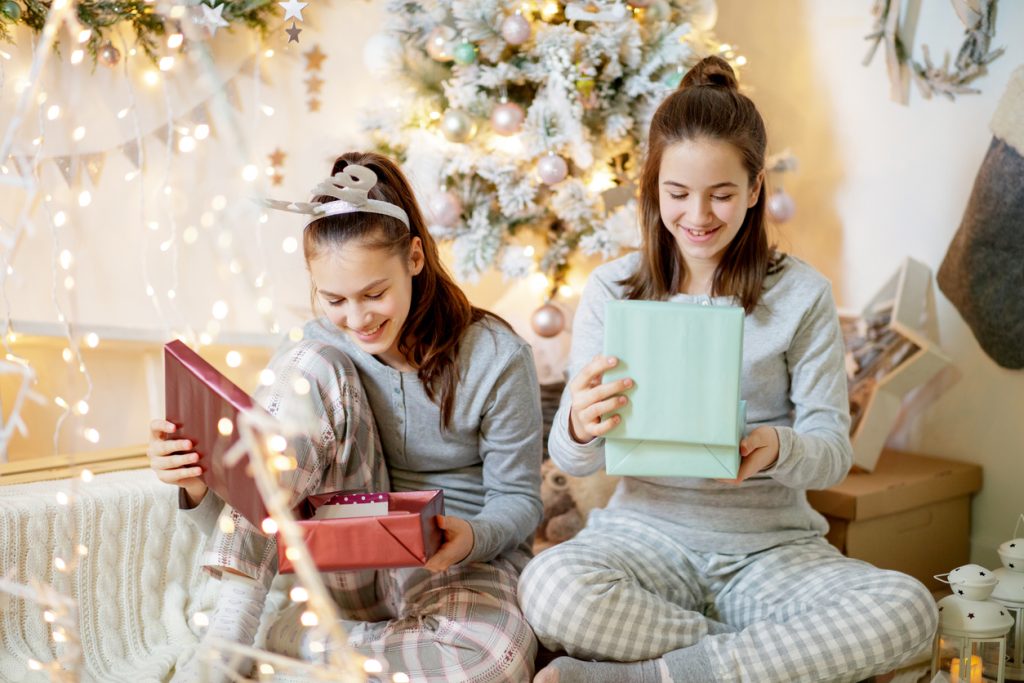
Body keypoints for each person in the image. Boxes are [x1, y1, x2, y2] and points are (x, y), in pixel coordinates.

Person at [517, 56, 938, 683]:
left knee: (908, 610)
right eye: (678, 194)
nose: (698, 216)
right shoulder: (614, 289)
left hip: (772, 551)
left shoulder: (801, 293)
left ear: (756, 188)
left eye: (721, 194)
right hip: (643, 540)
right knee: (550, 587)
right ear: (653, 188)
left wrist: (775, 447)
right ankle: (765, 658)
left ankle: (648, 676)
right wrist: (578, 428)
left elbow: (831, 452)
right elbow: (578, 462)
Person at [148, 152, 542, 683]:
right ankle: (230, 633)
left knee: (495, 660)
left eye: (374, 294)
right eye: (335, 299)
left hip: (455, 566)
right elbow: (261, 496)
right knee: (306, 363)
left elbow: (519, 501)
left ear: (416, 258)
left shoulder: (496, 356)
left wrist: (471, 537)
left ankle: (301, 641)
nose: (357, 319)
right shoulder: (321, 349)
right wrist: (198, 486)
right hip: (349, 562)